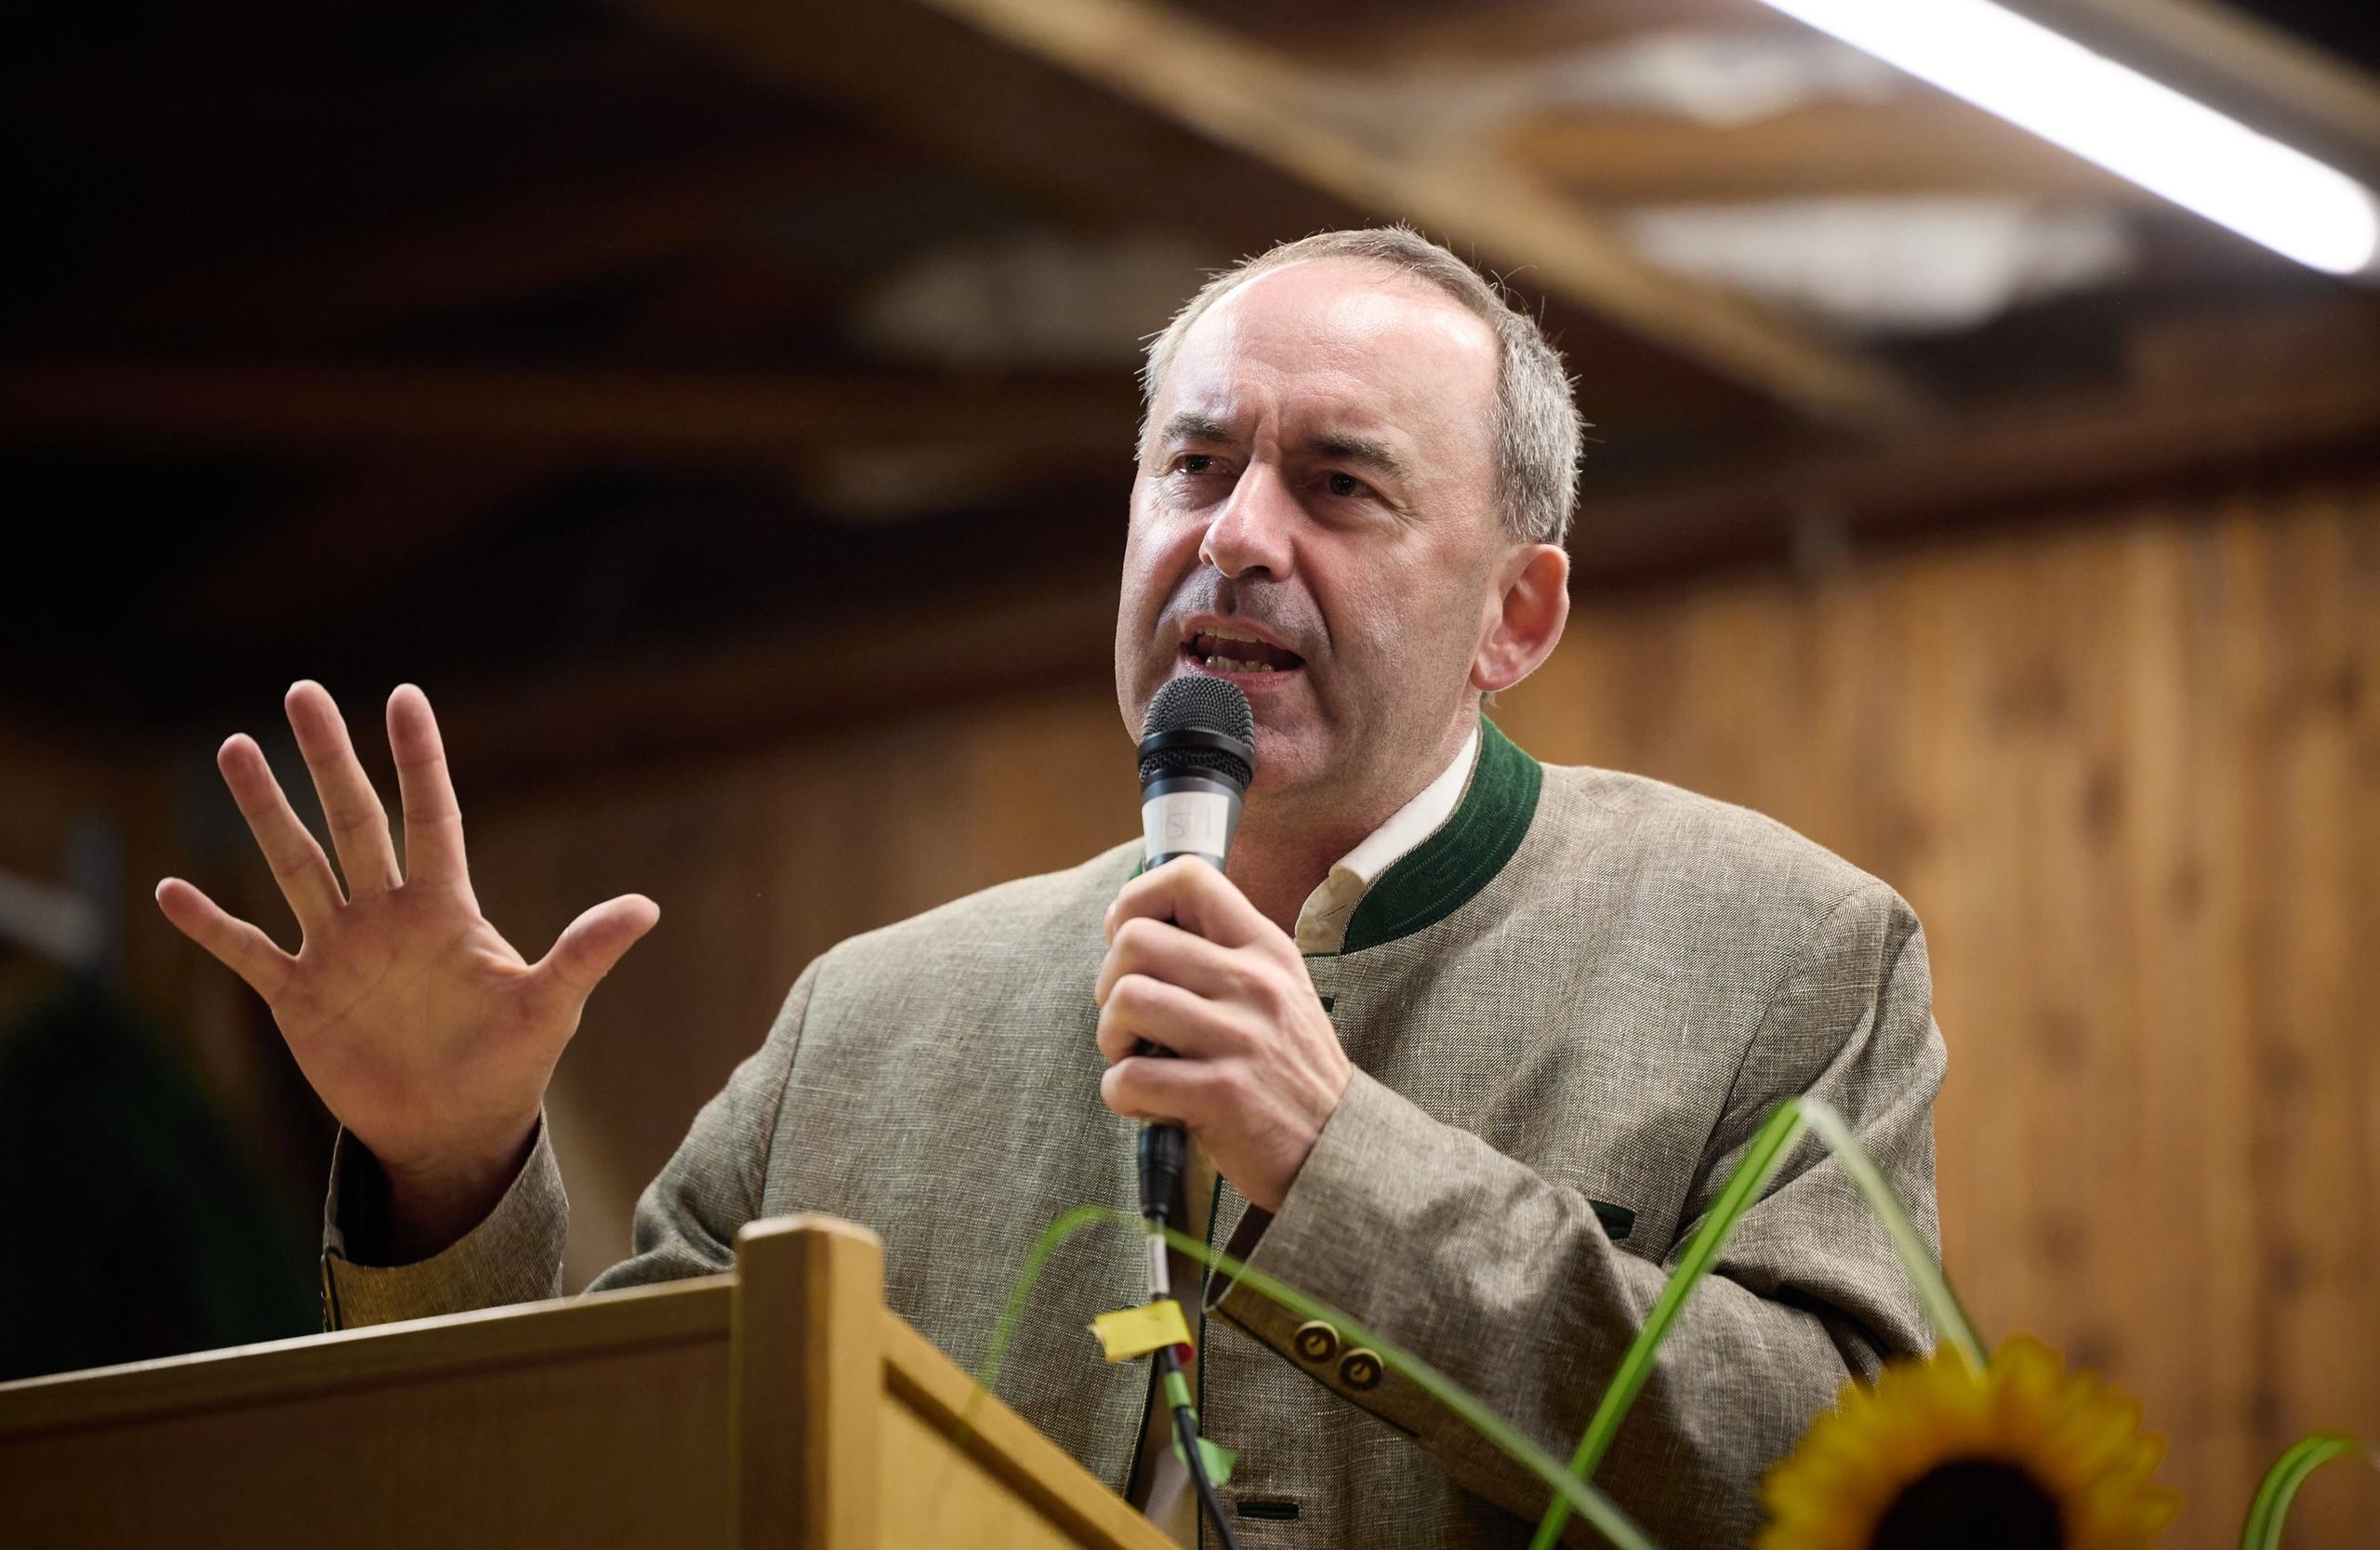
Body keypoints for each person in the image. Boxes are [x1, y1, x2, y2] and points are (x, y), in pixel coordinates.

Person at [156, 227, 1945, 1547]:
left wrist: (1347, 1172)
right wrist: (453, 1178)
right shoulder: (875, 1016)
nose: (1238, 534)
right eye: (1196, 463)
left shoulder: (1782, 953)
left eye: (1338, 484)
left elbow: (1852, 1486)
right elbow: (588, 1502)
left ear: (1515, 615)